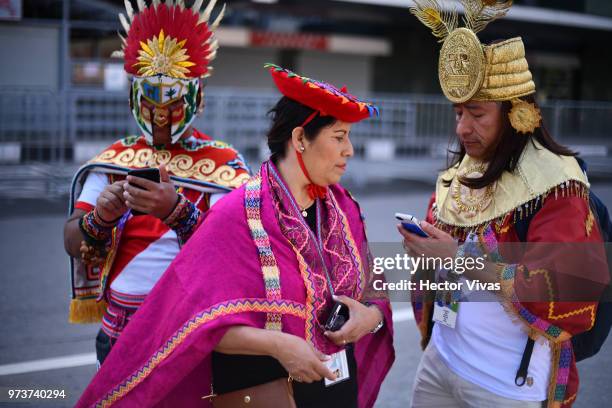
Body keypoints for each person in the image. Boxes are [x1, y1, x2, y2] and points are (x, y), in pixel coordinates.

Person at [75, 63, 395, 408]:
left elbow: (377, 285)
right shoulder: (236, 213)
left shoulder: (345, 207)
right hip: (261, 392)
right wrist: (279, 345)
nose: (349, 150)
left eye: (349, 137)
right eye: (339, 137)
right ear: (300, 138)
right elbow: (196, 322)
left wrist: (371, 316)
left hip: (336, 389)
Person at [402, 1, 609, 408]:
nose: (462, 128)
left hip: (507, 384)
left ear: (517, 113)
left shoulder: (555, 186)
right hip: (440, 359)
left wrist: (459, 257)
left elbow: (567, 292)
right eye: (458, 112)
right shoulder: (461, 172)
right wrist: (424, 249)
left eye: (476, 113)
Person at [63, 0, 250, 366]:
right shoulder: (114, 160)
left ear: (198, 99)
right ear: (134, 97)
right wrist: (100, 216)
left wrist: (178, 212)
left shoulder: (224, 164)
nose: (160, 113)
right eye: (150, 100)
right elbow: (73, 241)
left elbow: (236, 249)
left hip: (187, 330)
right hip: (118, 334)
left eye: (172, 100)